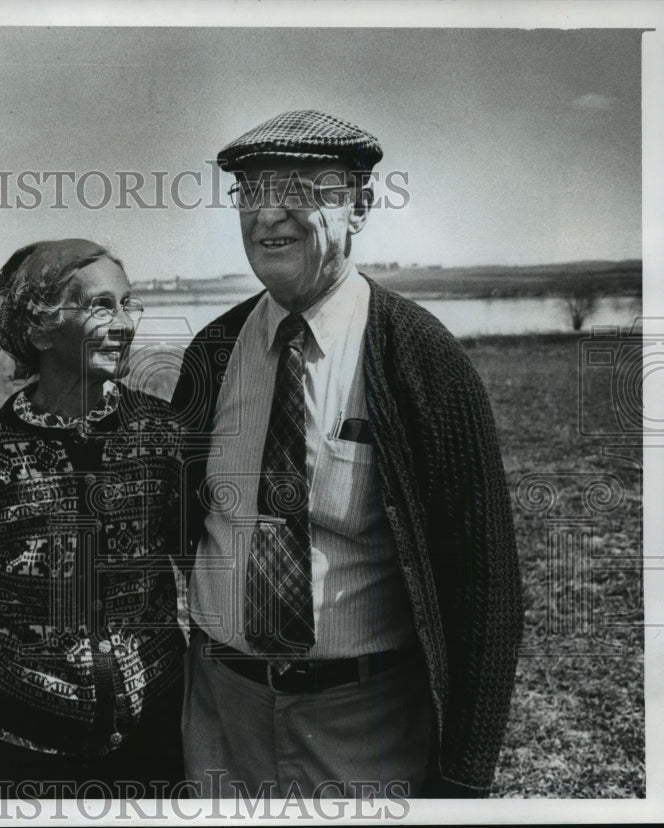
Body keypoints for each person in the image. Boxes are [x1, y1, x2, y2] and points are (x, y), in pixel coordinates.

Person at [172, 110, 523, 799]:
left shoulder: (422, 359)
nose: (268, 216)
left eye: (299, 191)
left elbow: (486, 586)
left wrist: (465, 779)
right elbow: (185, 525)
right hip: (221, 715)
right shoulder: (211, 354)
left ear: (359, 205)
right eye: (250, 193)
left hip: (366, 728)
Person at [0, 239, 186, 798]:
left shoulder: (164, 435)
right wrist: (16, 664)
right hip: (25, 759)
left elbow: (205, 555)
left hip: (157, 745)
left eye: (129, 304)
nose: (124, 324)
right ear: (40, 329)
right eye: (101, 306)